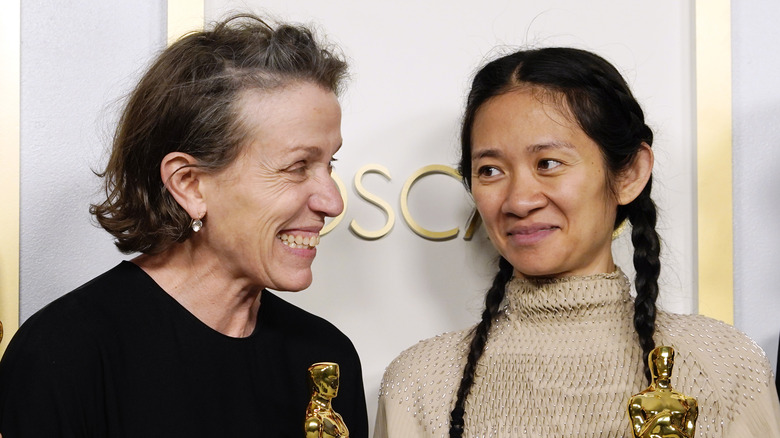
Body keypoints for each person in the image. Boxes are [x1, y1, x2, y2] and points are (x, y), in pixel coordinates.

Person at [374, 47, 780, 437]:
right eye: (491, 170)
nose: (519, 200)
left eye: (548, 164)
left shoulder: (725, 367)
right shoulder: (420, 383)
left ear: (630, 174)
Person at [0, 14, 368, 437]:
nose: (333, 201)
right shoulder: (67, 353)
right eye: (297, 166)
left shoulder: (322, 356)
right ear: (189, 185)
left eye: (329, 164)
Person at [305, 362, 350, 437]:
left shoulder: (337, 416)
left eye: (337, 378)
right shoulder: (314, 420)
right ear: (317, 381)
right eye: (331, 379)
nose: (336, 384)